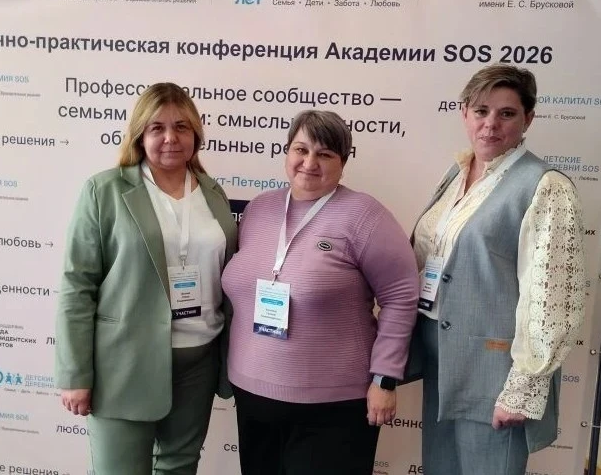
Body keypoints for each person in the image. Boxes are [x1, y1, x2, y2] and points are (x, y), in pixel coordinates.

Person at [407, 64, 586, 475]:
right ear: (464, 113)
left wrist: (522, 389)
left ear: (528, 119)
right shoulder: (457, 173)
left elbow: (554, 301)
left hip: (496, 372)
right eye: (481, 111)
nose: (490, 124)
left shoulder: (546, 186)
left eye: (506, 113)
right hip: (441, 357)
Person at [222, 110, 419, 475]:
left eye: (325, 154)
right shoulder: (259, 209)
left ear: (342, 162)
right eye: (301, 149)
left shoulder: (365, 215)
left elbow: (400, 295)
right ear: (287, 152)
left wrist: (384, 377)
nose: (309, 163)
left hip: (333, 408)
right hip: (253, 396)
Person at [55, 82, 238, 475]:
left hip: (199, 360)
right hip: (124, 361)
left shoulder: (213, 193)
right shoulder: (105, 190)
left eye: (181, 127)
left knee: (180, 466)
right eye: (157, 128)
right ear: (140, 135)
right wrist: (74, 374)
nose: (171, 138)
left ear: (196, 134)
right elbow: (77, 286)